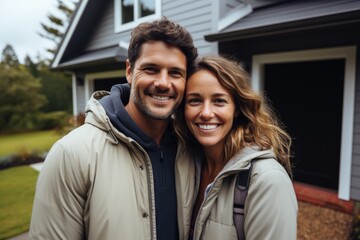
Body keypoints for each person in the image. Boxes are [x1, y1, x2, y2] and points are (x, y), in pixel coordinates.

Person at [29, 17, 198, 240]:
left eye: (175, 73)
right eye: (151, 69)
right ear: (129, 70)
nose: (163, 83)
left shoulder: (192, 149)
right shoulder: (71, 154)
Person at [174, 55, 298, 240]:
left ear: (237, 108)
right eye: (194, 100)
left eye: (219, 101)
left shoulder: (268, 181)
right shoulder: (184, 165)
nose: (206, 113)